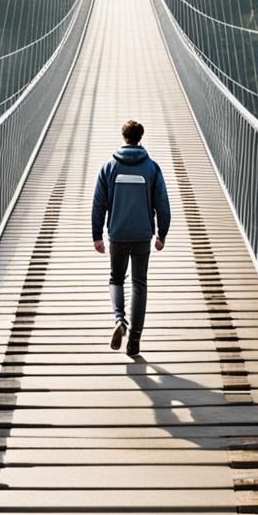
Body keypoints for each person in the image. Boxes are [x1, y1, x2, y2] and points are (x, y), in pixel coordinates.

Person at [91, 119, 171, 356]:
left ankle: (119, 321)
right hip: (142, 235)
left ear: (123, 137)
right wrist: (161, 234)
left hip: (117, 234)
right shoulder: (152, 168)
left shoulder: (108, 167)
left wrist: (97, 235)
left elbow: (98, 205)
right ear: (140, 138)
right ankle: (135, 339)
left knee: (116, 279)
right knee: (139, 283)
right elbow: (163, 205)